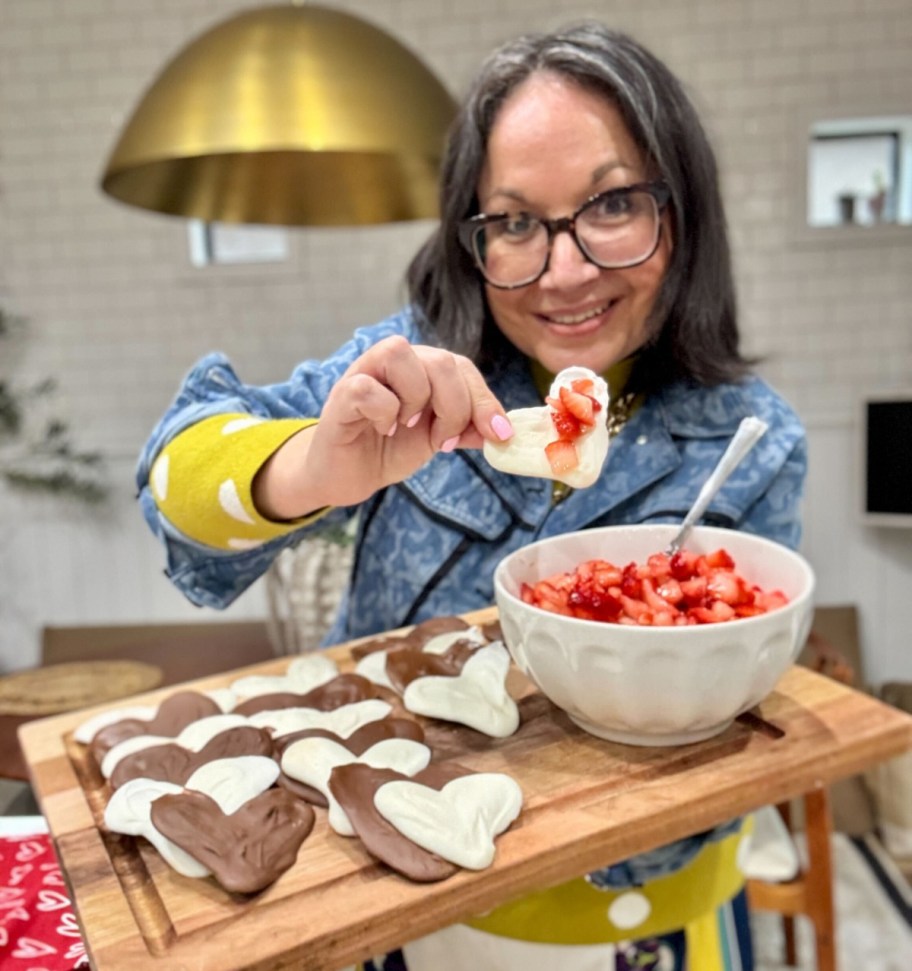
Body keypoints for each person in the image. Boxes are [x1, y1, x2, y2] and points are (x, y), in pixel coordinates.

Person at [137, 21, 806, 971]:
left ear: (684, 211)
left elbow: (749, 706)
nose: (565, 271)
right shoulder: (412, 372)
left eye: (613, 203)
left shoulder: (755, 438)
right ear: (473, 235)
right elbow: (174, 482)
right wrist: (313, 467)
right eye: (517, 222)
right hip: (408, 903)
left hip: (652, 915)